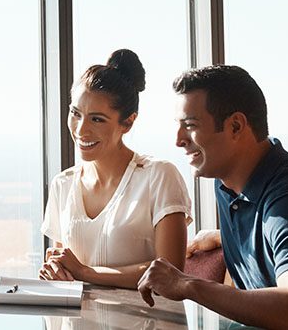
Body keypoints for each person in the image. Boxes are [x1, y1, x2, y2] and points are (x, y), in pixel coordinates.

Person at [137, 65, 288, 330]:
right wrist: (222, 235)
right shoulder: (229, 187)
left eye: (190, 126)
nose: (179, 140)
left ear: (236, 126)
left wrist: (187, 284)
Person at [40, 49, 192, 288]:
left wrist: (85, 272)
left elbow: (169, 273)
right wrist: (57, 271)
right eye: (75, 113)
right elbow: (64, 269)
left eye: (97, 119)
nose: (81, 130)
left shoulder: (159, 177)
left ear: (128, 122)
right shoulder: (63, 184)